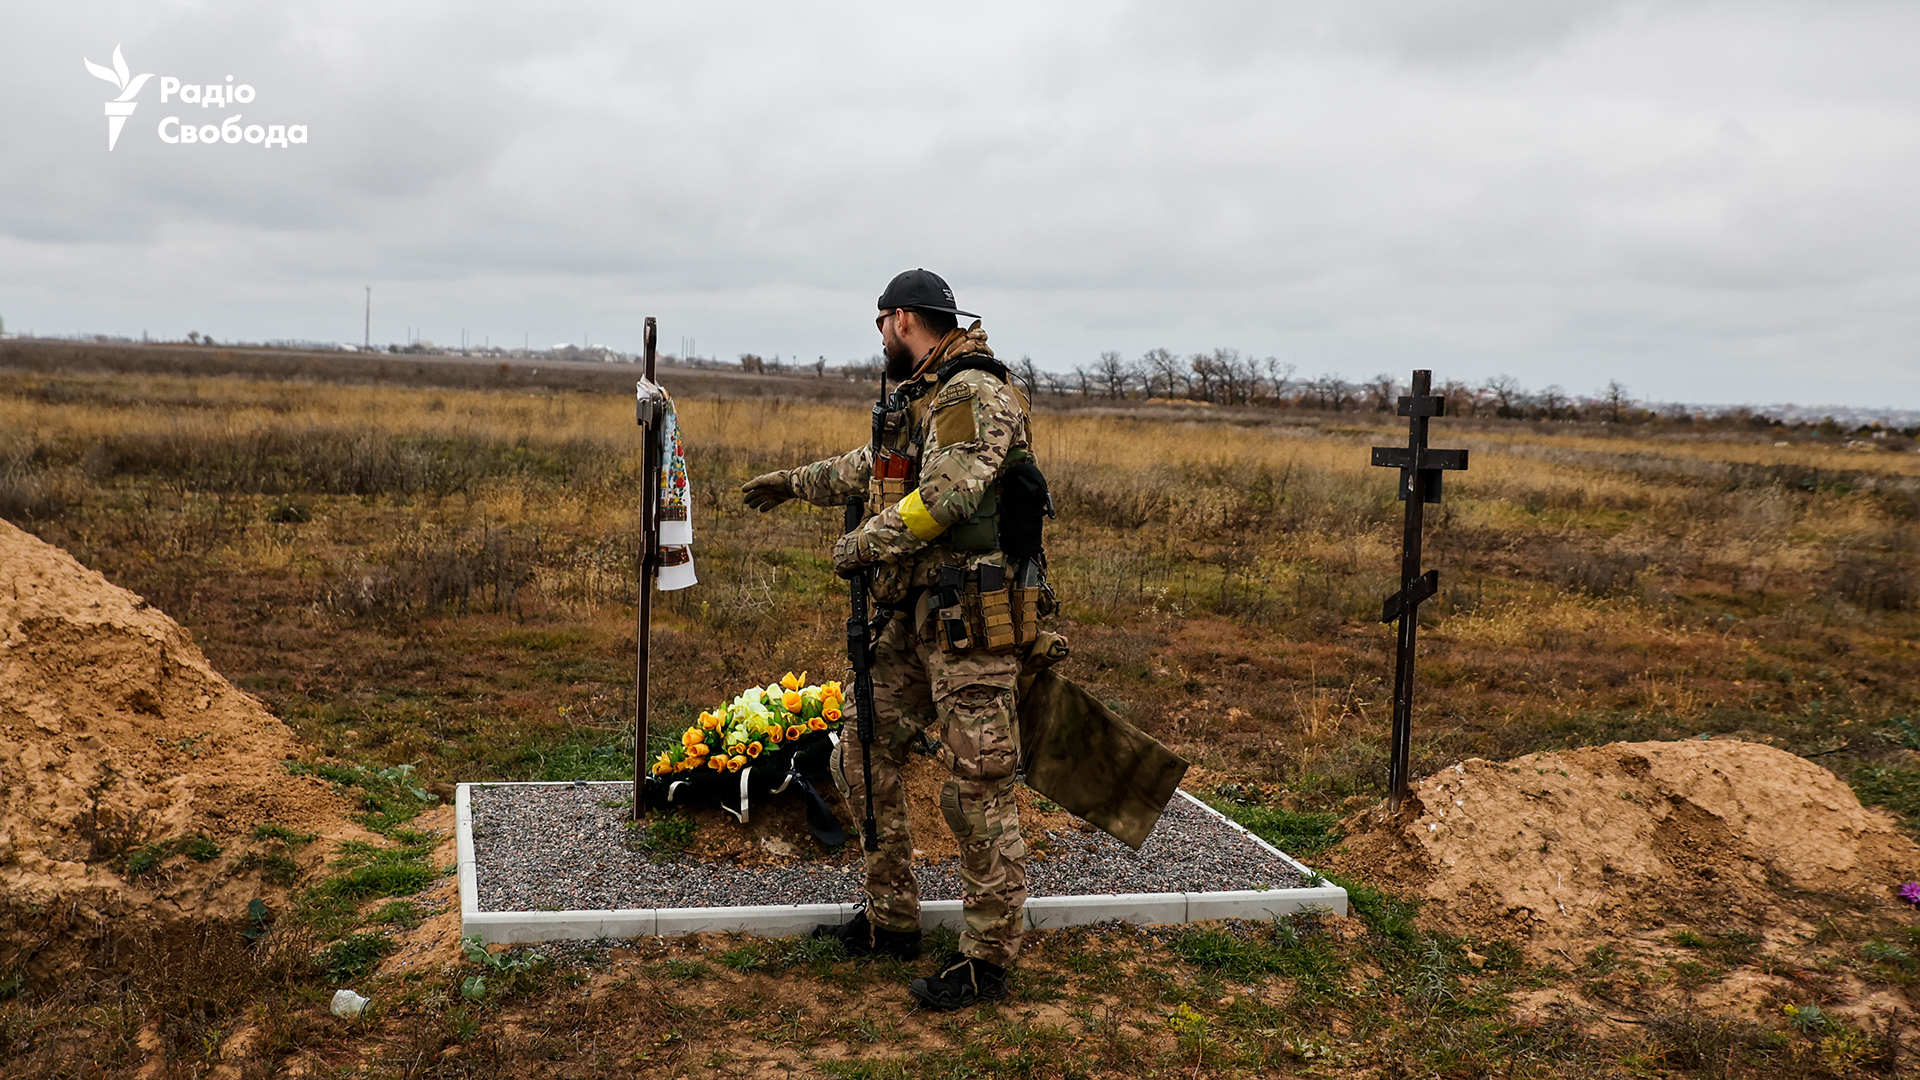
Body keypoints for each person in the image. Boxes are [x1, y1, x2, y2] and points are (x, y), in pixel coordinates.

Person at [740, 268, 1033, 1011]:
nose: (878, 341)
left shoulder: (973, 392)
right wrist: (791, 481)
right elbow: (876, 467)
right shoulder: (924, 396)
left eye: (880, 326)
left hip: (973, 619)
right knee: (863, 746)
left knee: (980, 787)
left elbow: (950, 495)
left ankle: (985, 962)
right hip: (916, 616)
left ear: (903, 319)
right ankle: (891, 919)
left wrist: (864, 545)